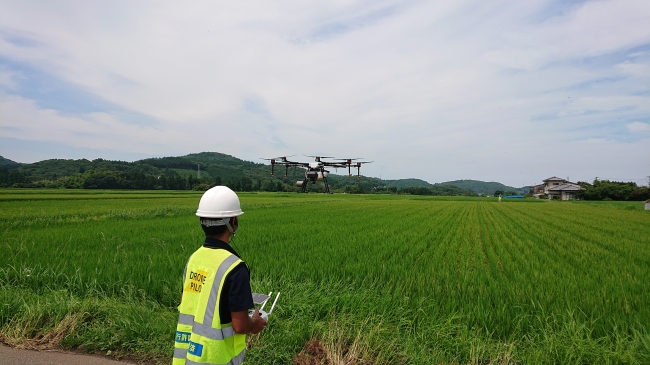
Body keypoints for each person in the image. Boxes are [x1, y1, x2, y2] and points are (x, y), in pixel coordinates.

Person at [173, 186, 267, 365]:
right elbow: (240, 326)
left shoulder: (194, 259)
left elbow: (190, 301)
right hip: (216, 358)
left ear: (201, 221)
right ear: (232, 222)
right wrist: (255, 323)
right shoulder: (234, 267)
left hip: (188, 355)